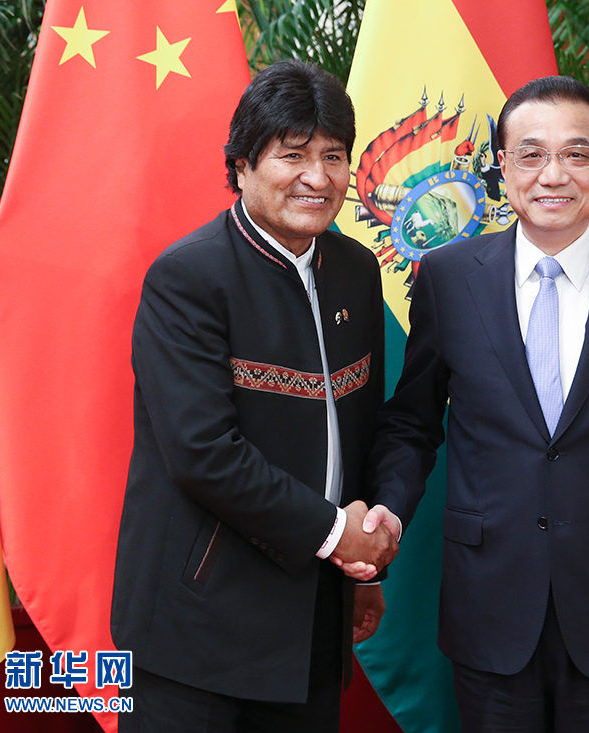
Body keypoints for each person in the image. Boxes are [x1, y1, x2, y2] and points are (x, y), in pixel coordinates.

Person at [361, 76, 589, 733]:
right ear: (503, 166)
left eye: (576, 154)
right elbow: (412, 423)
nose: (553, 174)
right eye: (531, 154)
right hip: (489, 601)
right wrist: (390, 505)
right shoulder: (448, 277)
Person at [111, 60, 397, 733]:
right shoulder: (187, 277)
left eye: (334, 156)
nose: (318, 177)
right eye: (292, 155)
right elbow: (203, 453)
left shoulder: (356, 270)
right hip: (198, 627)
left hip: (314, 620)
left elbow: (359, 431)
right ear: (241, 165)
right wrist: (340, 536)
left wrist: (362, 571)